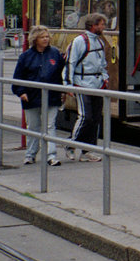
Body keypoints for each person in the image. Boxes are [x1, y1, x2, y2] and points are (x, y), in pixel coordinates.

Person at [11, 25, 65, 166]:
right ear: (35, 39)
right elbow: (18, 77)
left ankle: (51, 155)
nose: (46, 39)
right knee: (33, 126)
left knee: (50, 125)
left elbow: (61, 73)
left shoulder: (55, 54)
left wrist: (64, 89)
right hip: (32, 96)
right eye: (42, 37)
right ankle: (30, 154)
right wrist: (21, 92)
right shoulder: (26, 56)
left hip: (51, 95)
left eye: (47, 36)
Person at [65, 12, 109, 162]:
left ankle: (88, 150)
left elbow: (103, 63)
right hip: (82, 84)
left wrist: (105, 79)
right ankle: (70, 145)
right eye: (101, 24)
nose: (104, 27)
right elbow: (70, 62)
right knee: (85, 116)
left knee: (95, 118)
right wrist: (69, 85)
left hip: (97, 84)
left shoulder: (100, 42)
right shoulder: (79, 41)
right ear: (93, 25)